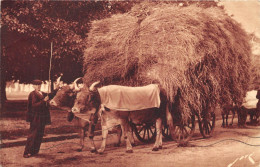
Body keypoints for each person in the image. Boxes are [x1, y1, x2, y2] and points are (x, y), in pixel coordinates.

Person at [23, 79, 51, 158]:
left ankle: (34, 151)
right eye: (37, 85)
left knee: (39, 134)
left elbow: (51, 94)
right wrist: (43, 101)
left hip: (42, 117)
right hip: (35, 117)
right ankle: (27, 152)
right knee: (33, 134)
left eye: (40, 85)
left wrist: (58, 88)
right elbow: (34, 105)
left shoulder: (42, 93)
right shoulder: (33, 94)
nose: (39, 86)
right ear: (33, 86)